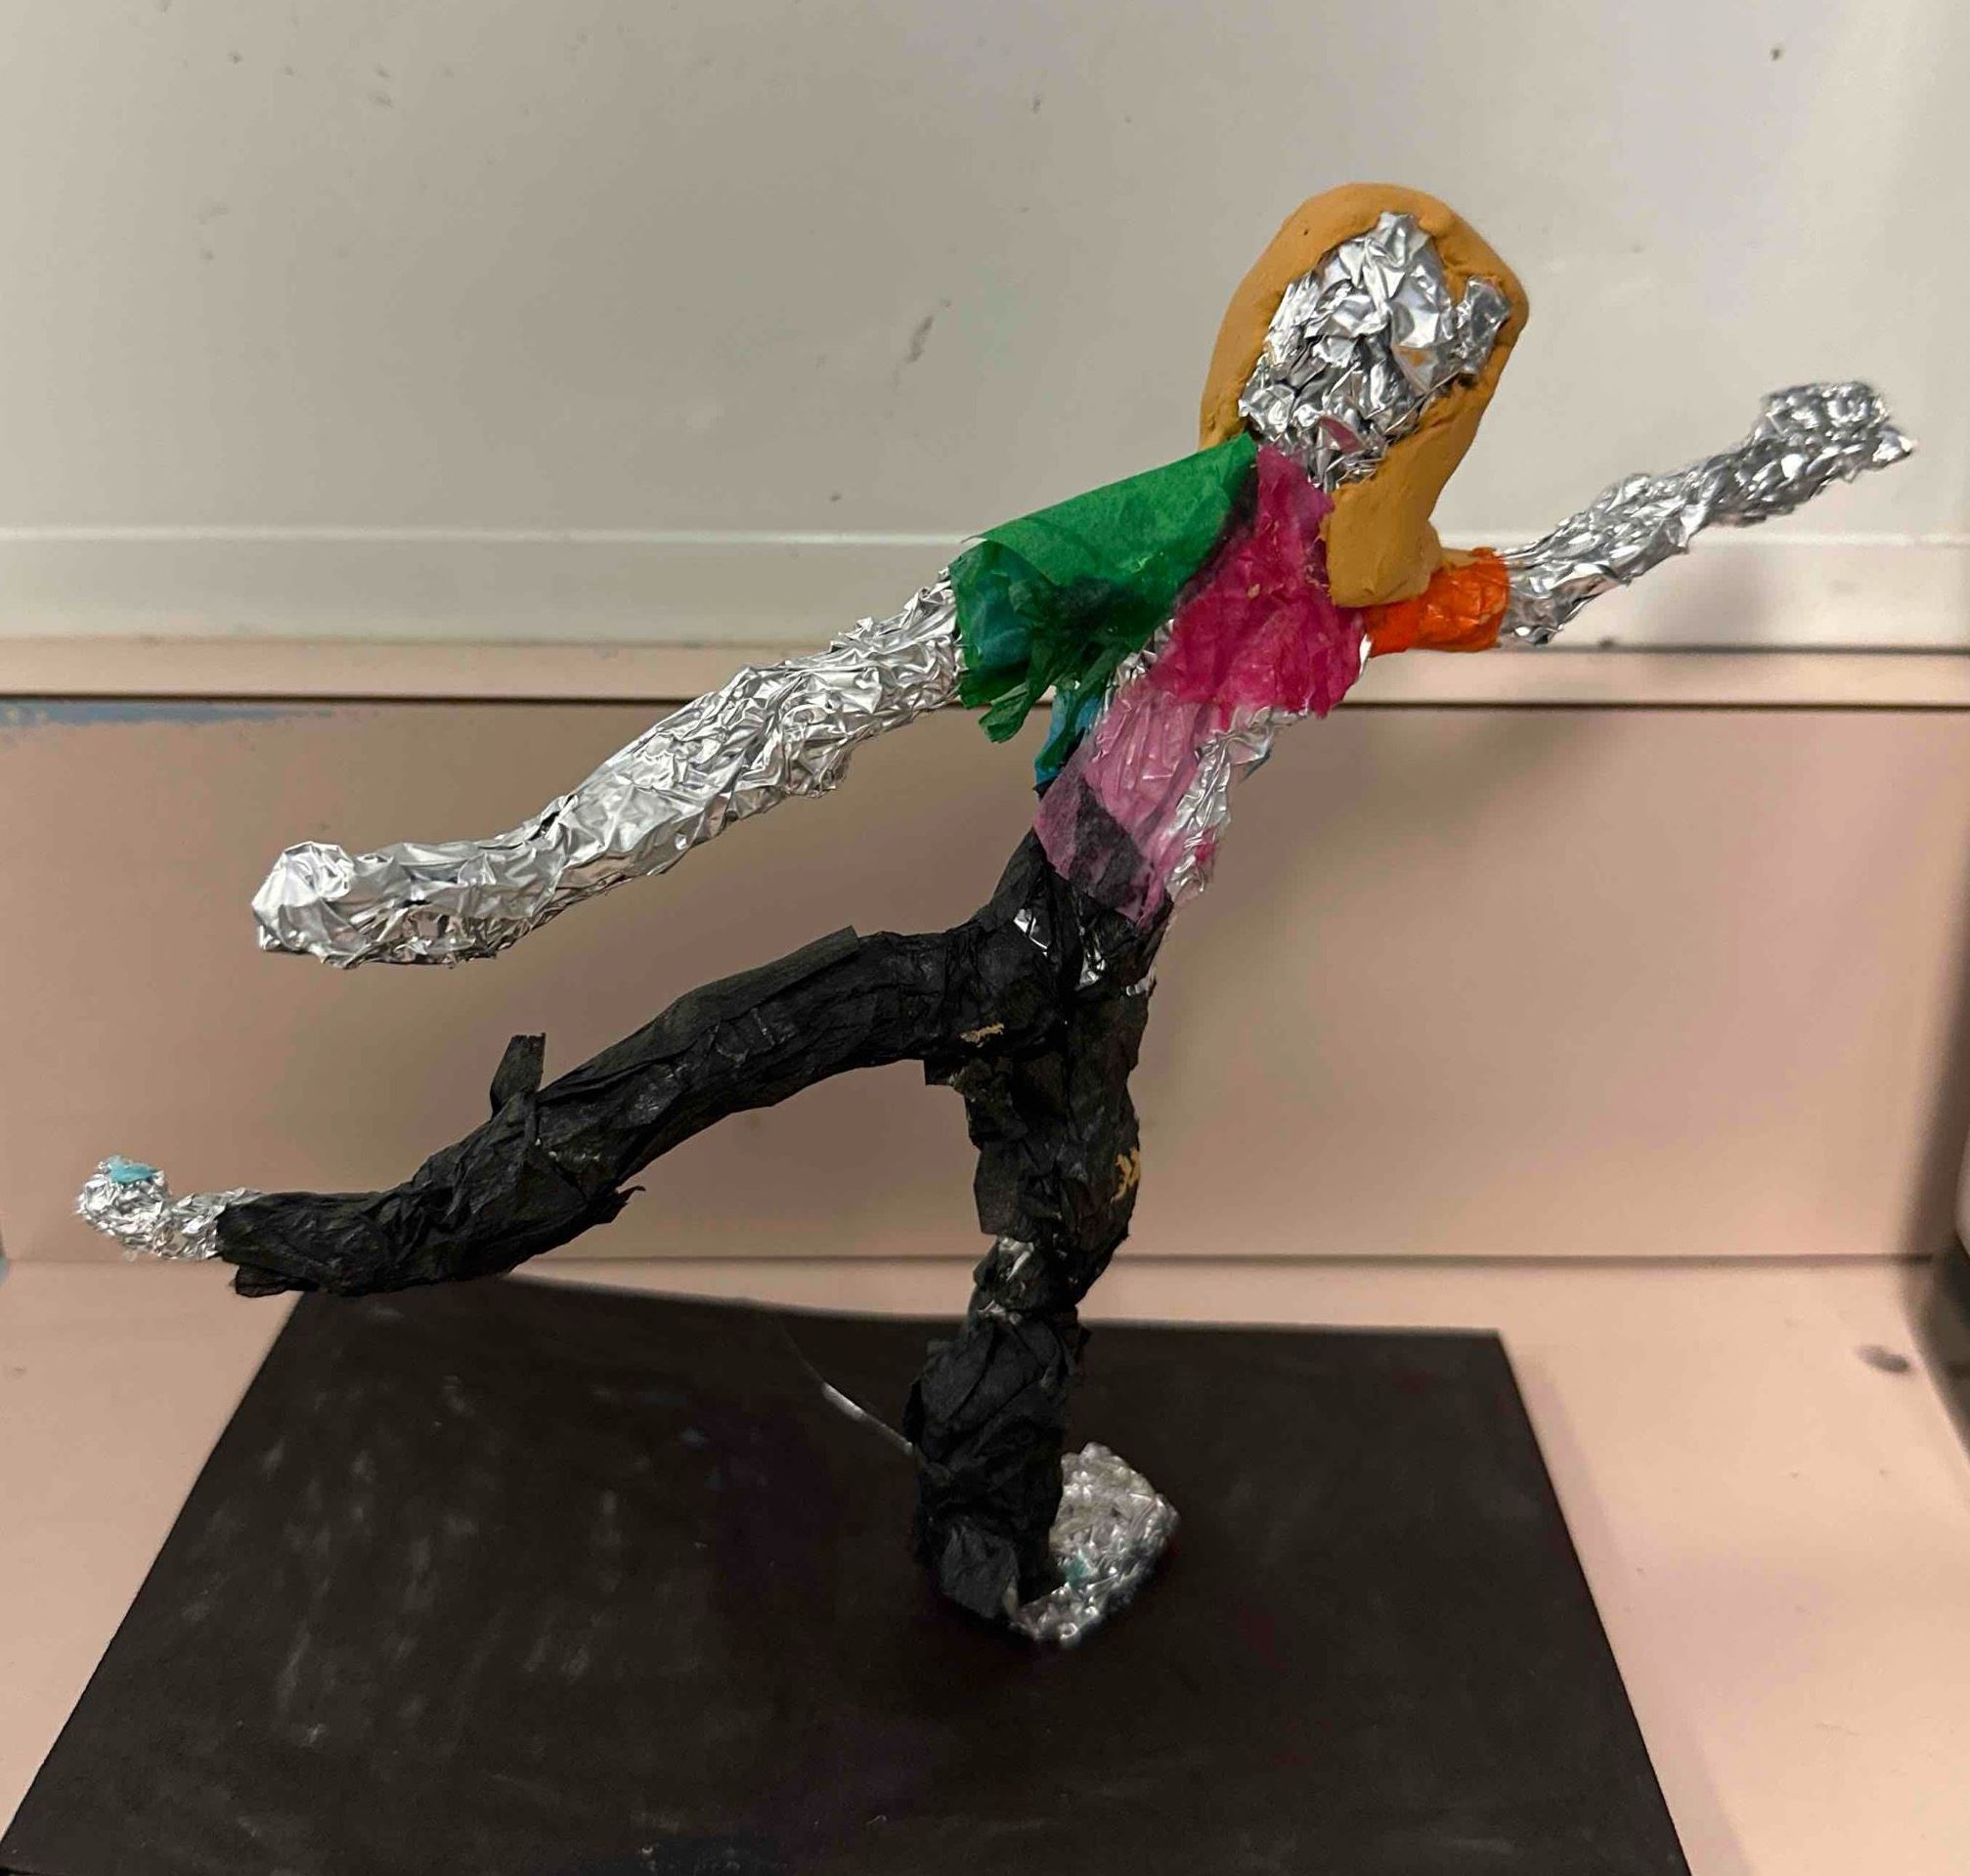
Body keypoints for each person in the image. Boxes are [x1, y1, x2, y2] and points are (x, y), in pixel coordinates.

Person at [81, 184, 1911, 1626]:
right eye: (1340, 335)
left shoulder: (1347, 590)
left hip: (1091, 1003)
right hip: (1002, 955)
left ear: (1439, 415)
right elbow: (824, 697)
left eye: (1409, 372)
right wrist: (490, 881)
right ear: (1271, 333)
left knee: (1060, 1240)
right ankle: (299, 1231)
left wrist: (1755, 475)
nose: (1359, 390)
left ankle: (988, 1532)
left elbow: (1552, 573)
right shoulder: (1161, 531)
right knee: (673, 1081)